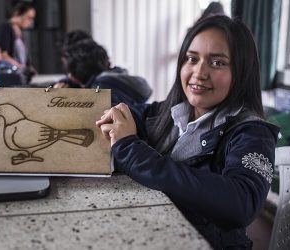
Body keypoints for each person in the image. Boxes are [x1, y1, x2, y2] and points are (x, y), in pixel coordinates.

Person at [96, 15, 279, 249]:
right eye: (192, 59)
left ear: (241, 71)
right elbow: (128, 111)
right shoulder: (170, 113)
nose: (199, 72)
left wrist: (132, 150)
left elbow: (241, 204)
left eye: (217, 63)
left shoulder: (252, 133)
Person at [0, 1, 36, 81]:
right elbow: (3, 55)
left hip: (20, 77)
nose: (31, 22)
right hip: (10, 77)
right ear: (17, 13)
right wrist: (22, 68)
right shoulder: (5, 28)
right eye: (29, 17)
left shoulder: (19, 31)